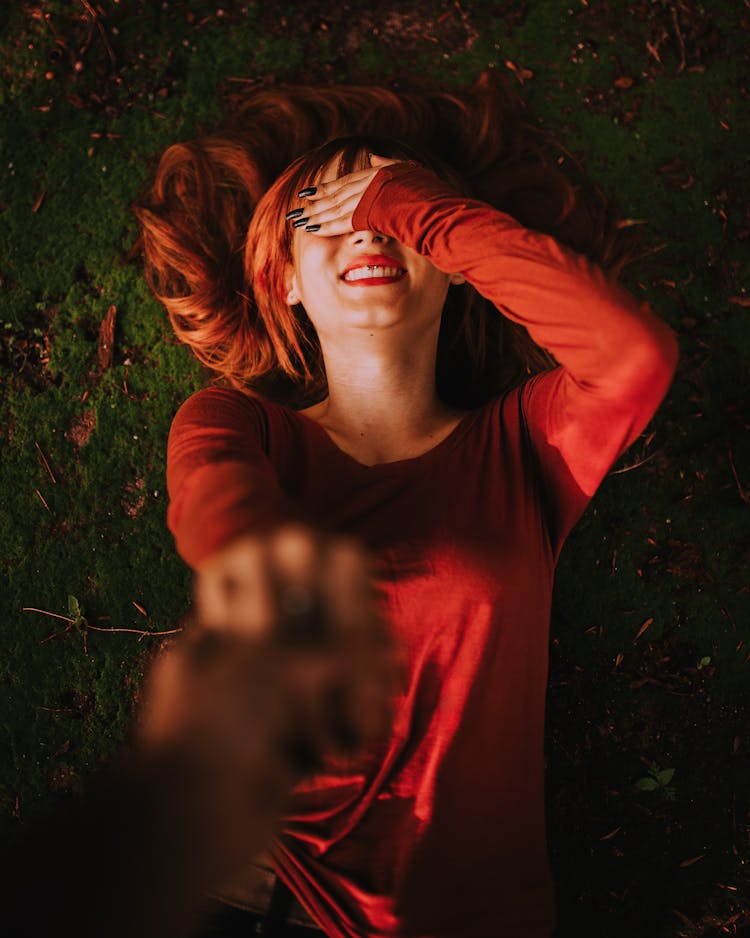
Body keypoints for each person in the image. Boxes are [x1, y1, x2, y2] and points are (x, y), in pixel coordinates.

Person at [133, 70, 679, 937]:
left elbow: (634, 355)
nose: (363, 229)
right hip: (251, 891)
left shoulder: (526, 447)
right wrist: (261, 567)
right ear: (286, 285)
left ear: (457, 268)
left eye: (383, 209)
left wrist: (415, 207)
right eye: (323, 217)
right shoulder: (242, 421)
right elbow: (216, 502)